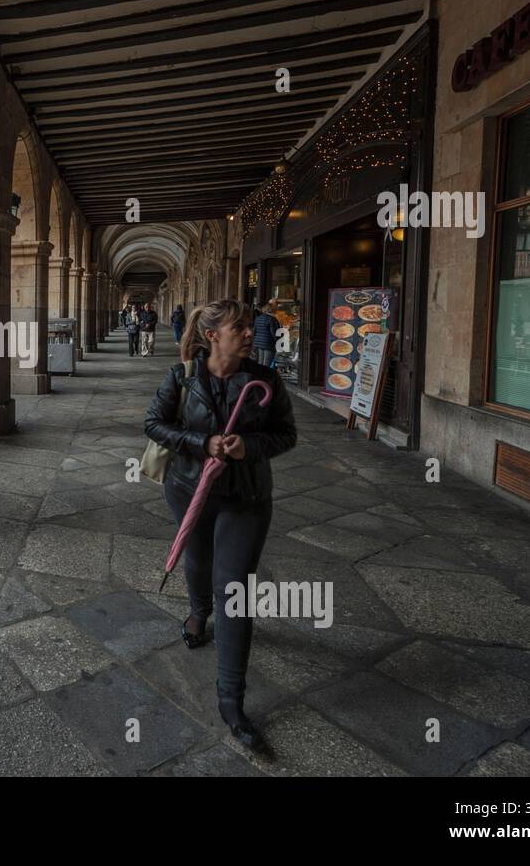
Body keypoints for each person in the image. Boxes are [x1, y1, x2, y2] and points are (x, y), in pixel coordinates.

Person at [143, 298, 296, 752]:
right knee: (197, 557)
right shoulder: (183, 377)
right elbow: (153, 424)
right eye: (241, 327)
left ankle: (232, 700)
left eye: (250, 326)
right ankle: (197, 610)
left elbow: (286, 434)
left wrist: (247, 446)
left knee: (236, 589)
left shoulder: (266, 379)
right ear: (213, 335)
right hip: (190, 488)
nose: (252, 333)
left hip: (245, 496)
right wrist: (201, 441)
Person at [253, 300, 279, 367]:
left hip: (258, 343)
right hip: (268, 344)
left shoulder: (258, 318)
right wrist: (278, 342)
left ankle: (259, 376)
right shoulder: (272, 319)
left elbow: (254, 331)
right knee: (267, 364)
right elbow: (274, 333)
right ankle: (264, 377)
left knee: (260, 362)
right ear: (271, 310)